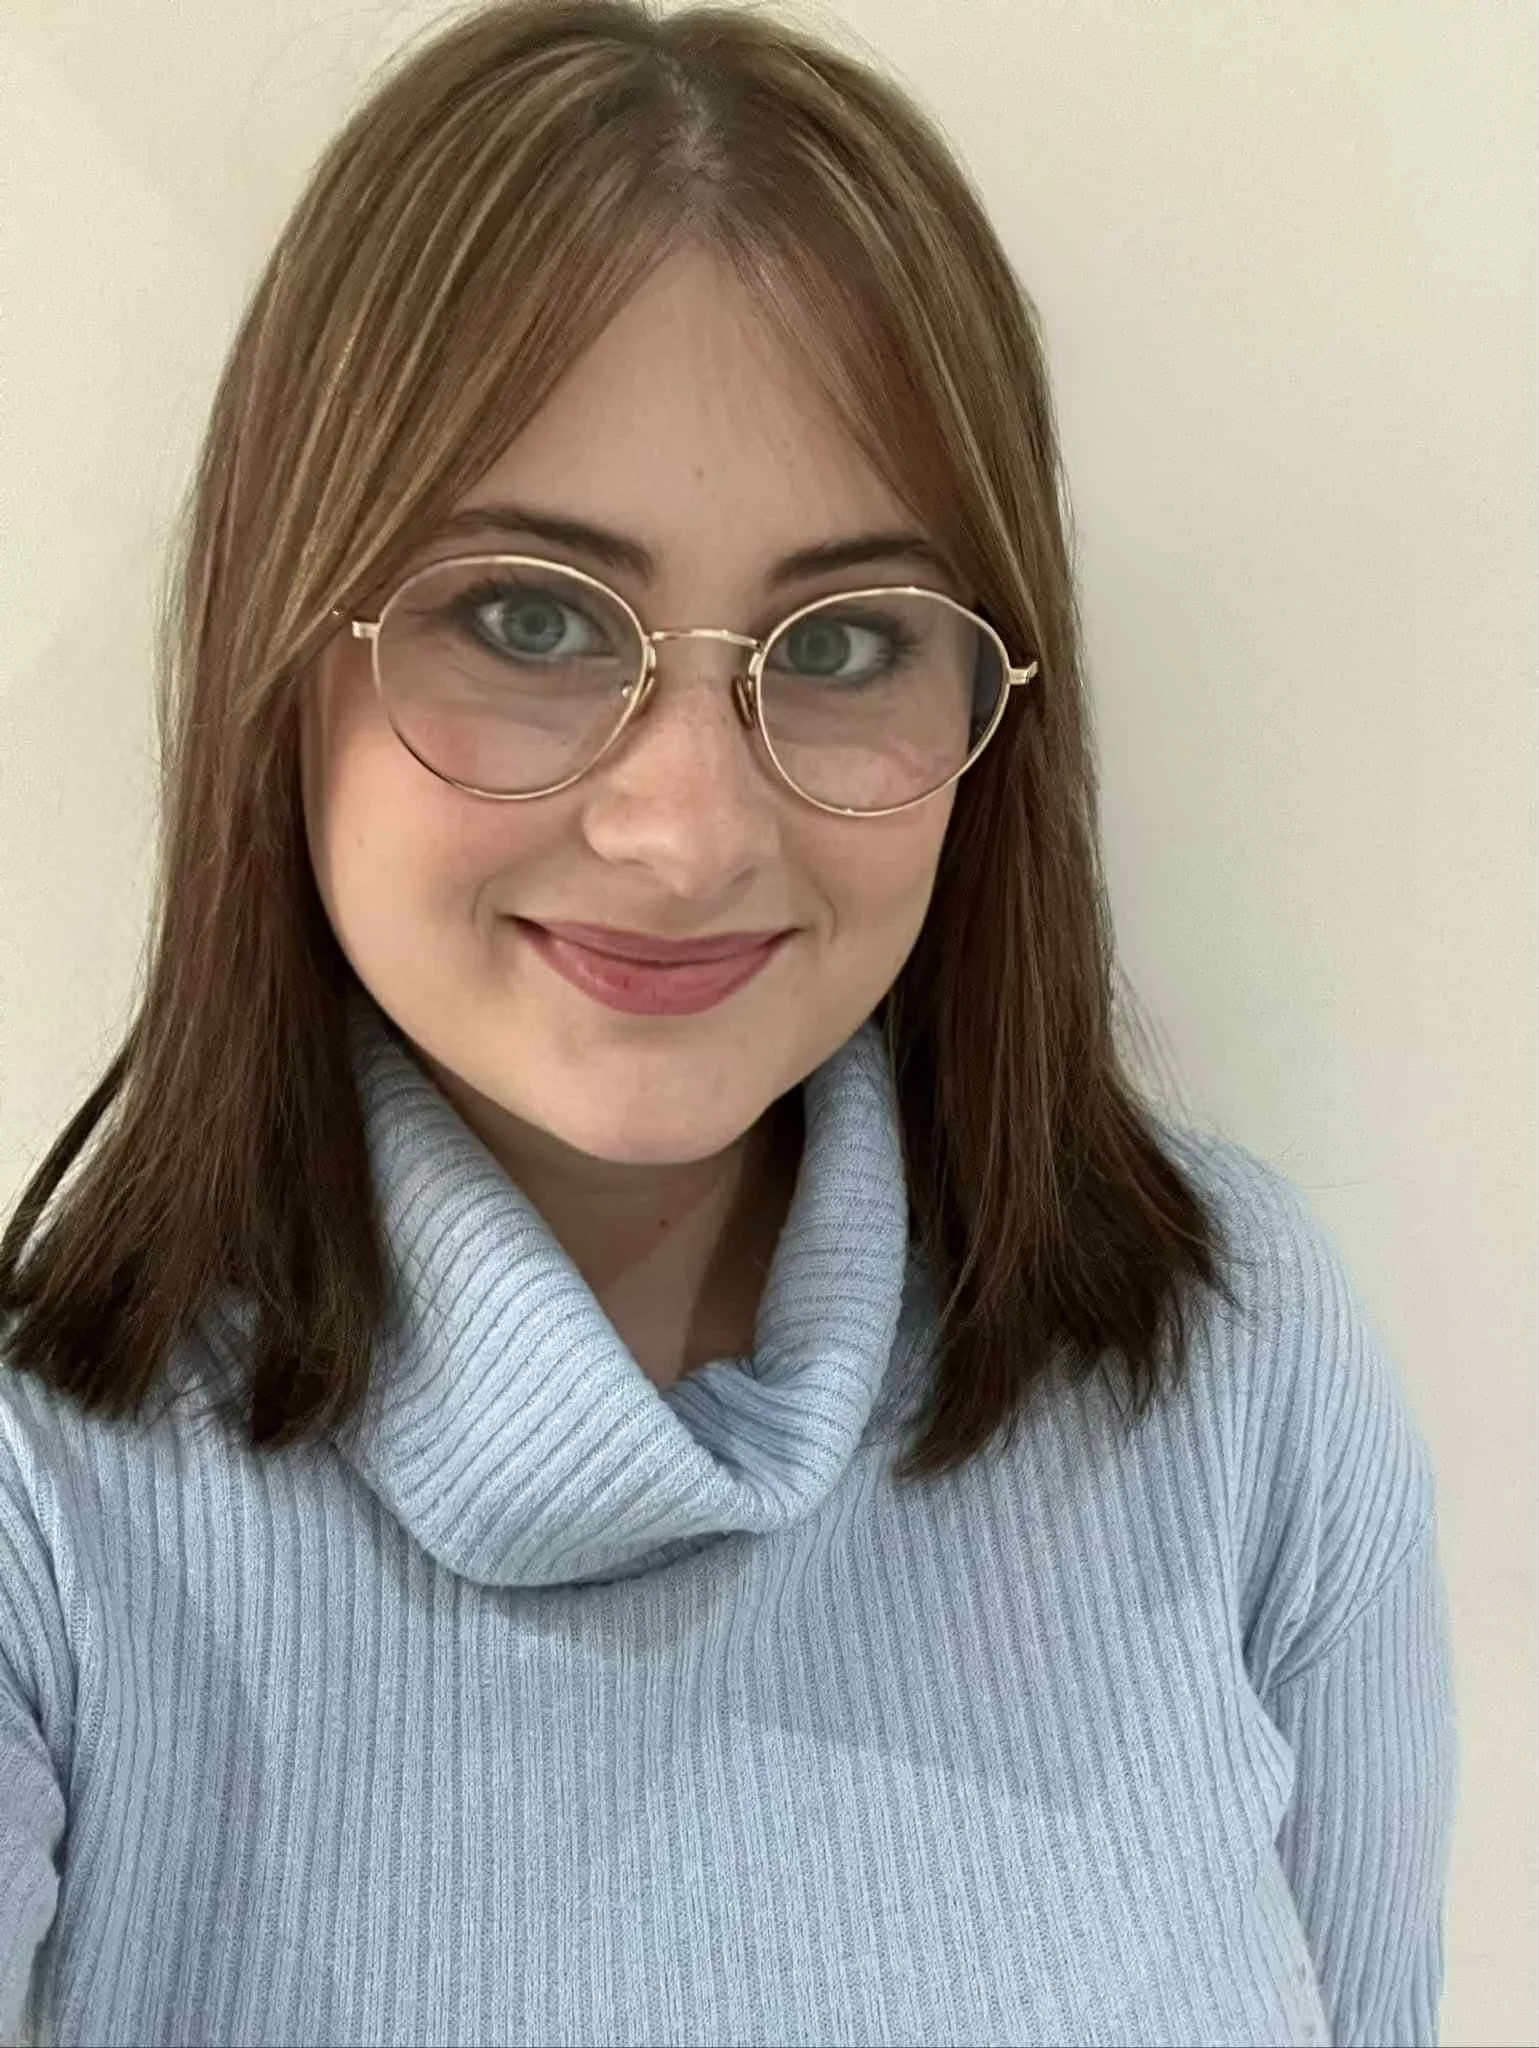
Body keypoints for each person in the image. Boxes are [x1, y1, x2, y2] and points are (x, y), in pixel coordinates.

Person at [0, 3, 1457, 2043]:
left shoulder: (1233, 1367)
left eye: (846, 639)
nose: (685, 829)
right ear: (285, 637)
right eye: (526, 615)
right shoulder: (43, 1517)